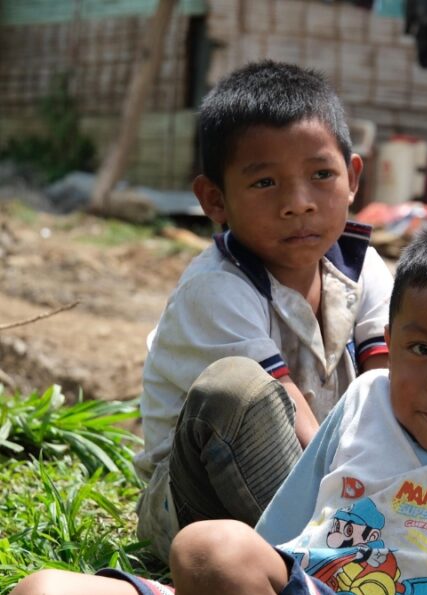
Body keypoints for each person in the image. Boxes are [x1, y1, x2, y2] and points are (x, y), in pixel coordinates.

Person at [10, 217, 427, 595]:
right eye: (420, 350)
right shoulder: (368, 398)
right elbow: (280, 537)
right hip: (309, 588)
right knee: (45, 593)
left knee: (211, 551)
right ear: (390, 341)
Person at [132, 59, 393, 563]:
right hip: (197, 509)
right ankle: (331, 567)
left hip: (332, 492)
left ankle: (343, 555)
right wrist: (359, 501)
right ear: (214, 199)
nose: (298, 203)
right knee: (238, 387)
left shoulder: (364, 268)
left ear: (353, 176)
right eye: (265, 183)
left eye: (321, 175)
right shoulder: (216, 289)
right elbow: (287, 405)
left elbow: (386, 384)